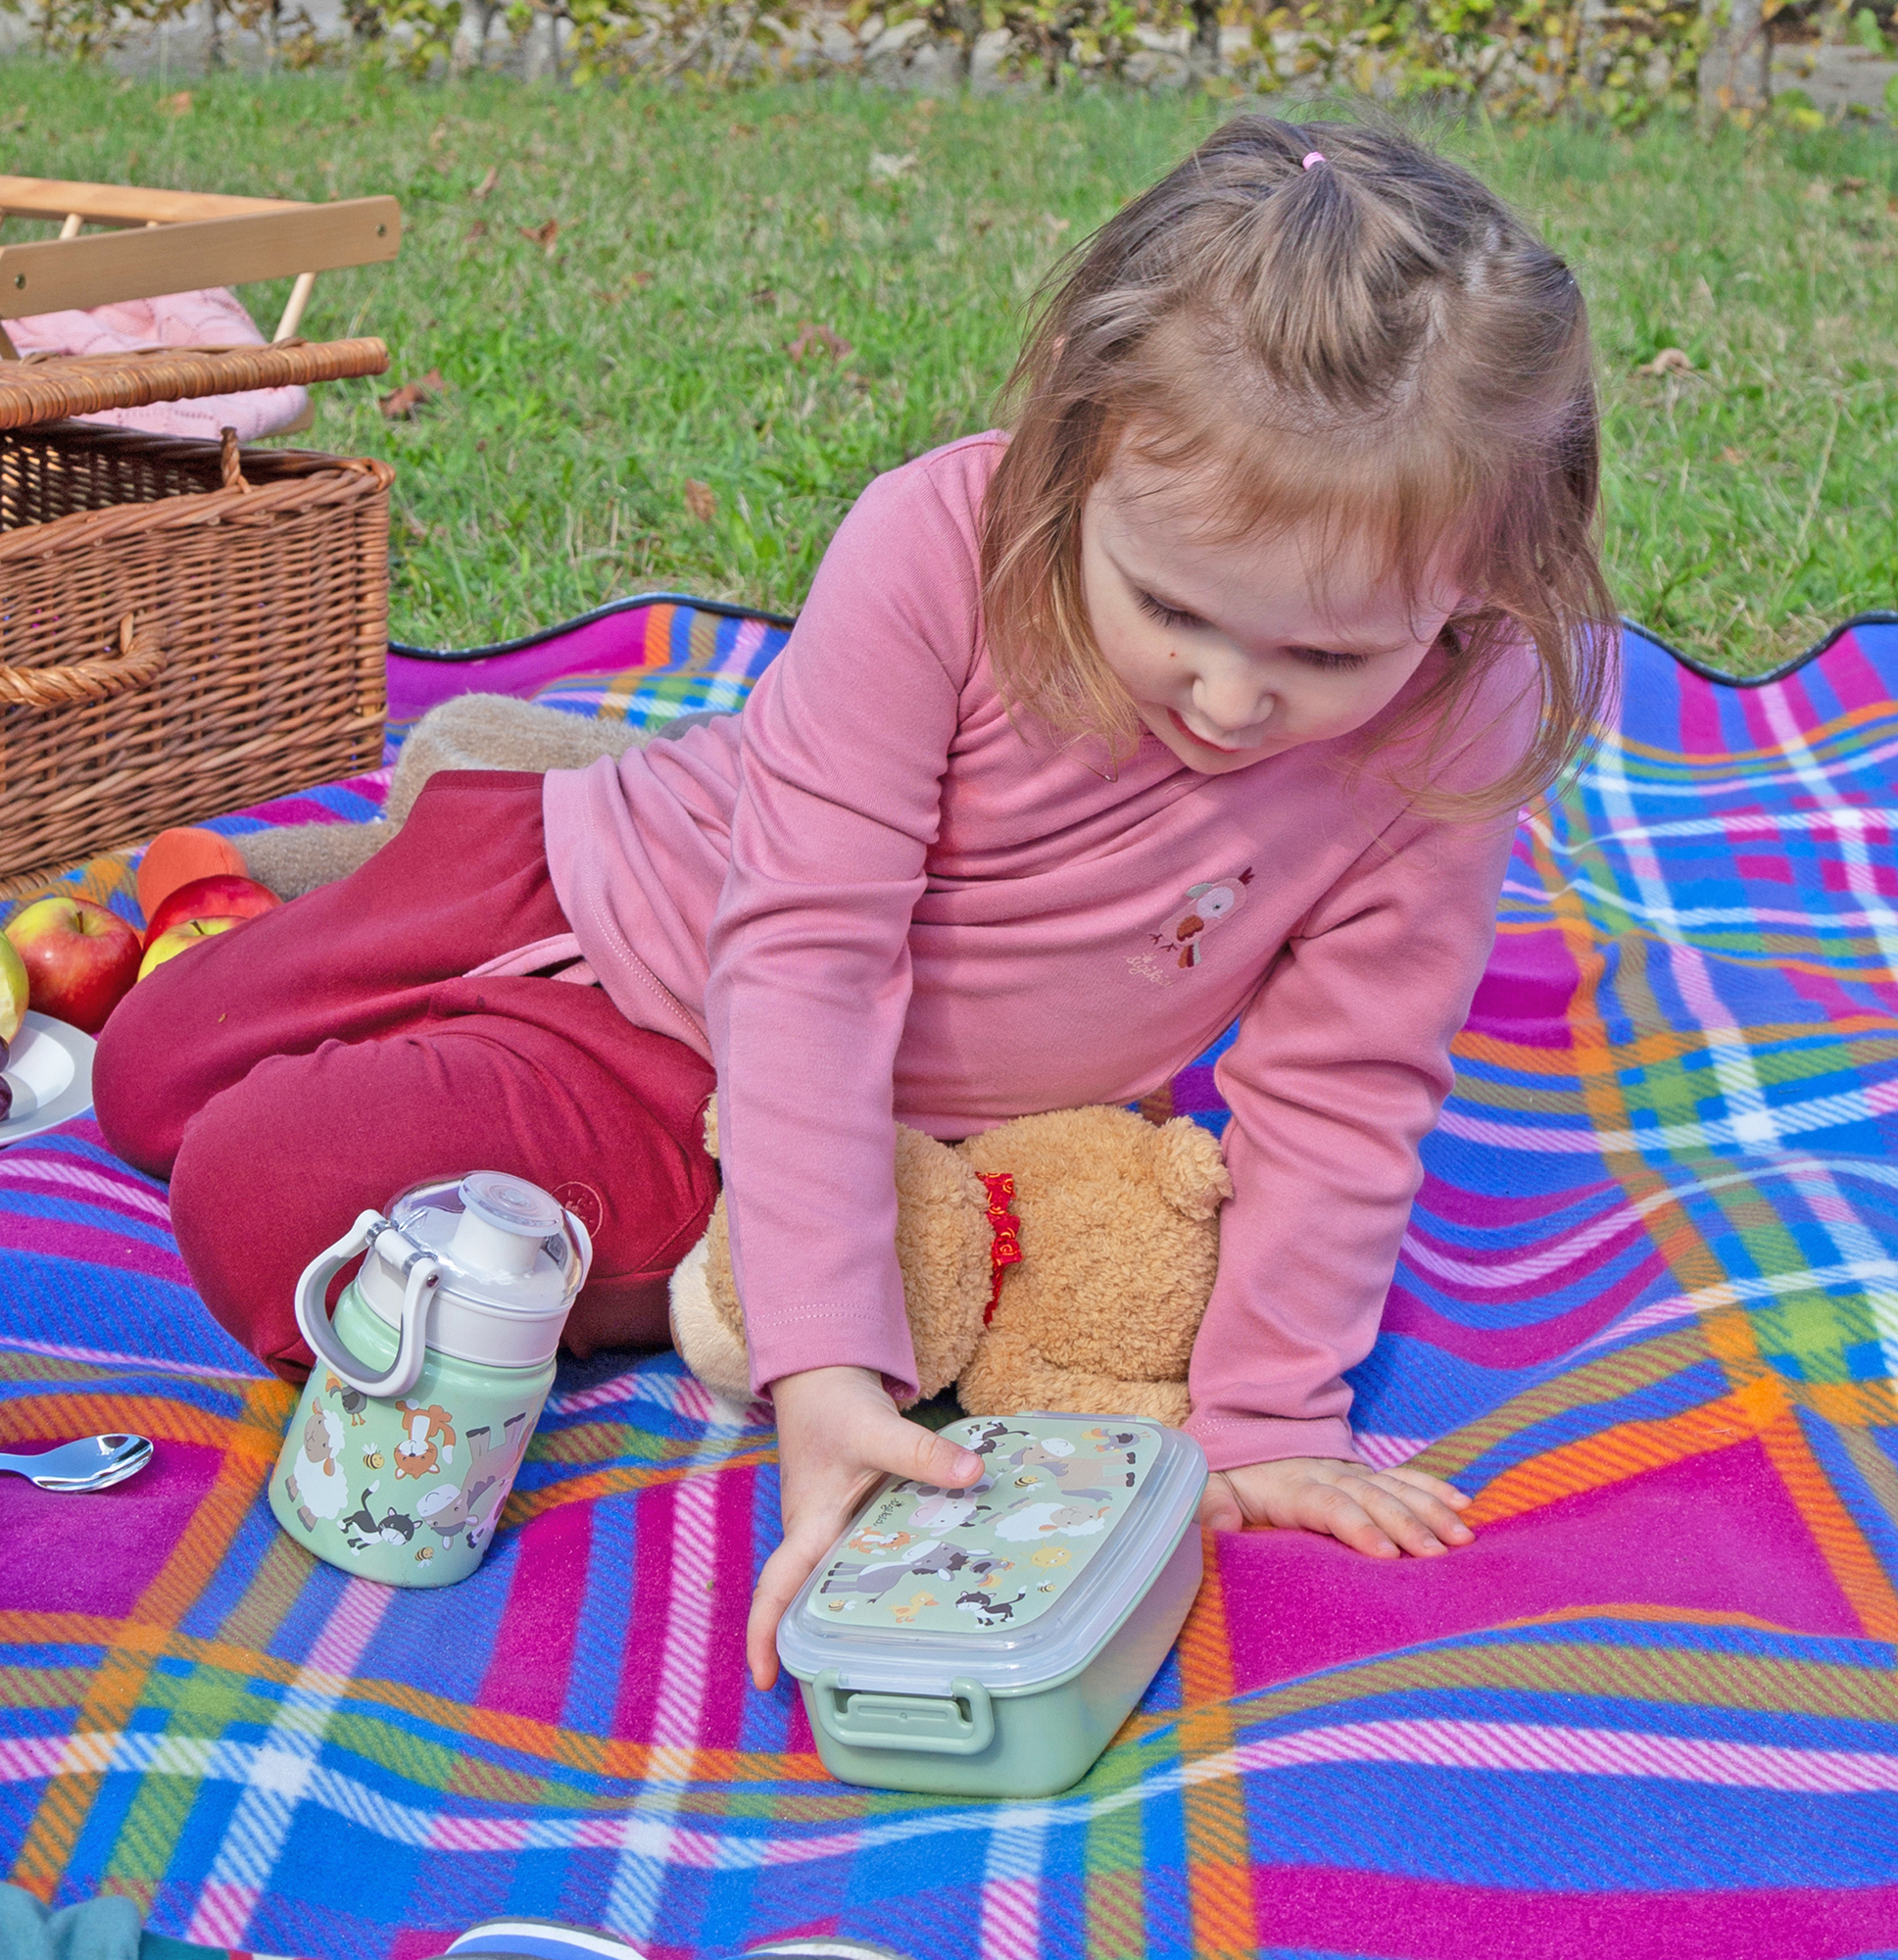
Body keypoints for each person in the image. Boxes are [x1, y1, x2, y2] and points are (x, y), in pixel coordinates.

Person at [95, 115, 1615, 1692]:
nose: (1231, 699)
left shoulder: (1458, 714)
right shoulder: (937, 543)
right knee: (146, 1067)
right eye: (1171, 611)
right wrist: (835, 1354)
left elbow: (1346, 1084)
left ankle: (495, 956)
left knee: (252, 1193)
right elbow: (811, 940)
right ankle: (479, 797)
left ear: (1487, 580)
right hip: (615, 859)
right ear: (1079, 453)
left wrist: (1252, 1417)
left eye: (1327, 658)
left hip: (686, 1092)